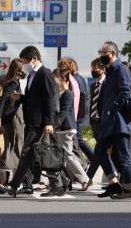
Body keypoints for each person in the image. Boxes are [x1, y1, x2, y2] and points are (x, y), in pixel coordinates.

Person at [85, 41, 131, 200]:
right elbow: (104, 96)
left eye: (104, 53)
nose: (102, 56)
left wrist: (114, 108)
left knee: (123, 155)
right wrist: (102, 112)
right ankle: (114, 184)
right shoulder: (110, 71)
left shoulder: (121, 69)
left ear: (113, 54)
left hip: (120, 121)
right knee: (99, 152)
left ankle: (128, 188)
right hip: (108, 121)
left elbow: (126, 91)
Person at [8, 46, 59, 197]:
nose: (23, 64)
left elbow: (49, 99)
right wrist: (21, 98)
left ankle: (14, 185)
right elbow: (33, 98)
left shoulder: (45, 74)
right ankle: (59, 184)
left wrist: (49, 122)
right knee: (40, 154)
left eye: (25, 60)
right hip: (32, 121)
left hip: (41, 123)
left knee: (28, 152)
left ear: (34, 59)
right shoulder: (32, 75)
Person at [52, 65, 90, 193]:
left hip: (66, 128)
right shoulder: (61, 93)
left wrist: (55, 124)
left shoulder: (68, 93)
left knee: (68, 155)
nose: (56, 81)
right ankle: (64, 180)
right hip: (63, 128)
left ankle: (84, 178)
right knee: (62, 155)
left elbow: (64, 111)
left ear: (65, 80)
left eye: (58, 79)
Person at [0, 58, 24, 179]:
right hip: (14, 117)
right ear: (18, 70)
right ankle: (16, 175)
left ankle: (5, 173)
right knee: (17, 146)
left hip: (8, 118)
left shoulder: (8, 81)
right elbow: (3, 99)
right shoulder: (14, 83)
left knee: (10, 145)